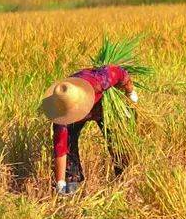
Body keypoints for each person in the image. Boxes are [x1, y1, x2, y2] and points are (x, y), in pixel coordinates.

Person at [40, 65, 139, 195]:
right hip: (73, 107)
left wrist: (130, 92)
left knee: (116, 141)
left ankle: (123, 180)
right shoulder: (61, 112)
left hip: (102, 106)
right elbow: (60, 149)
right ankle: (72, 184)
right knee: (69, 140)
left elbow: (121, 74)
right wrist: (60, 183)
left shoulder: (99, 80)